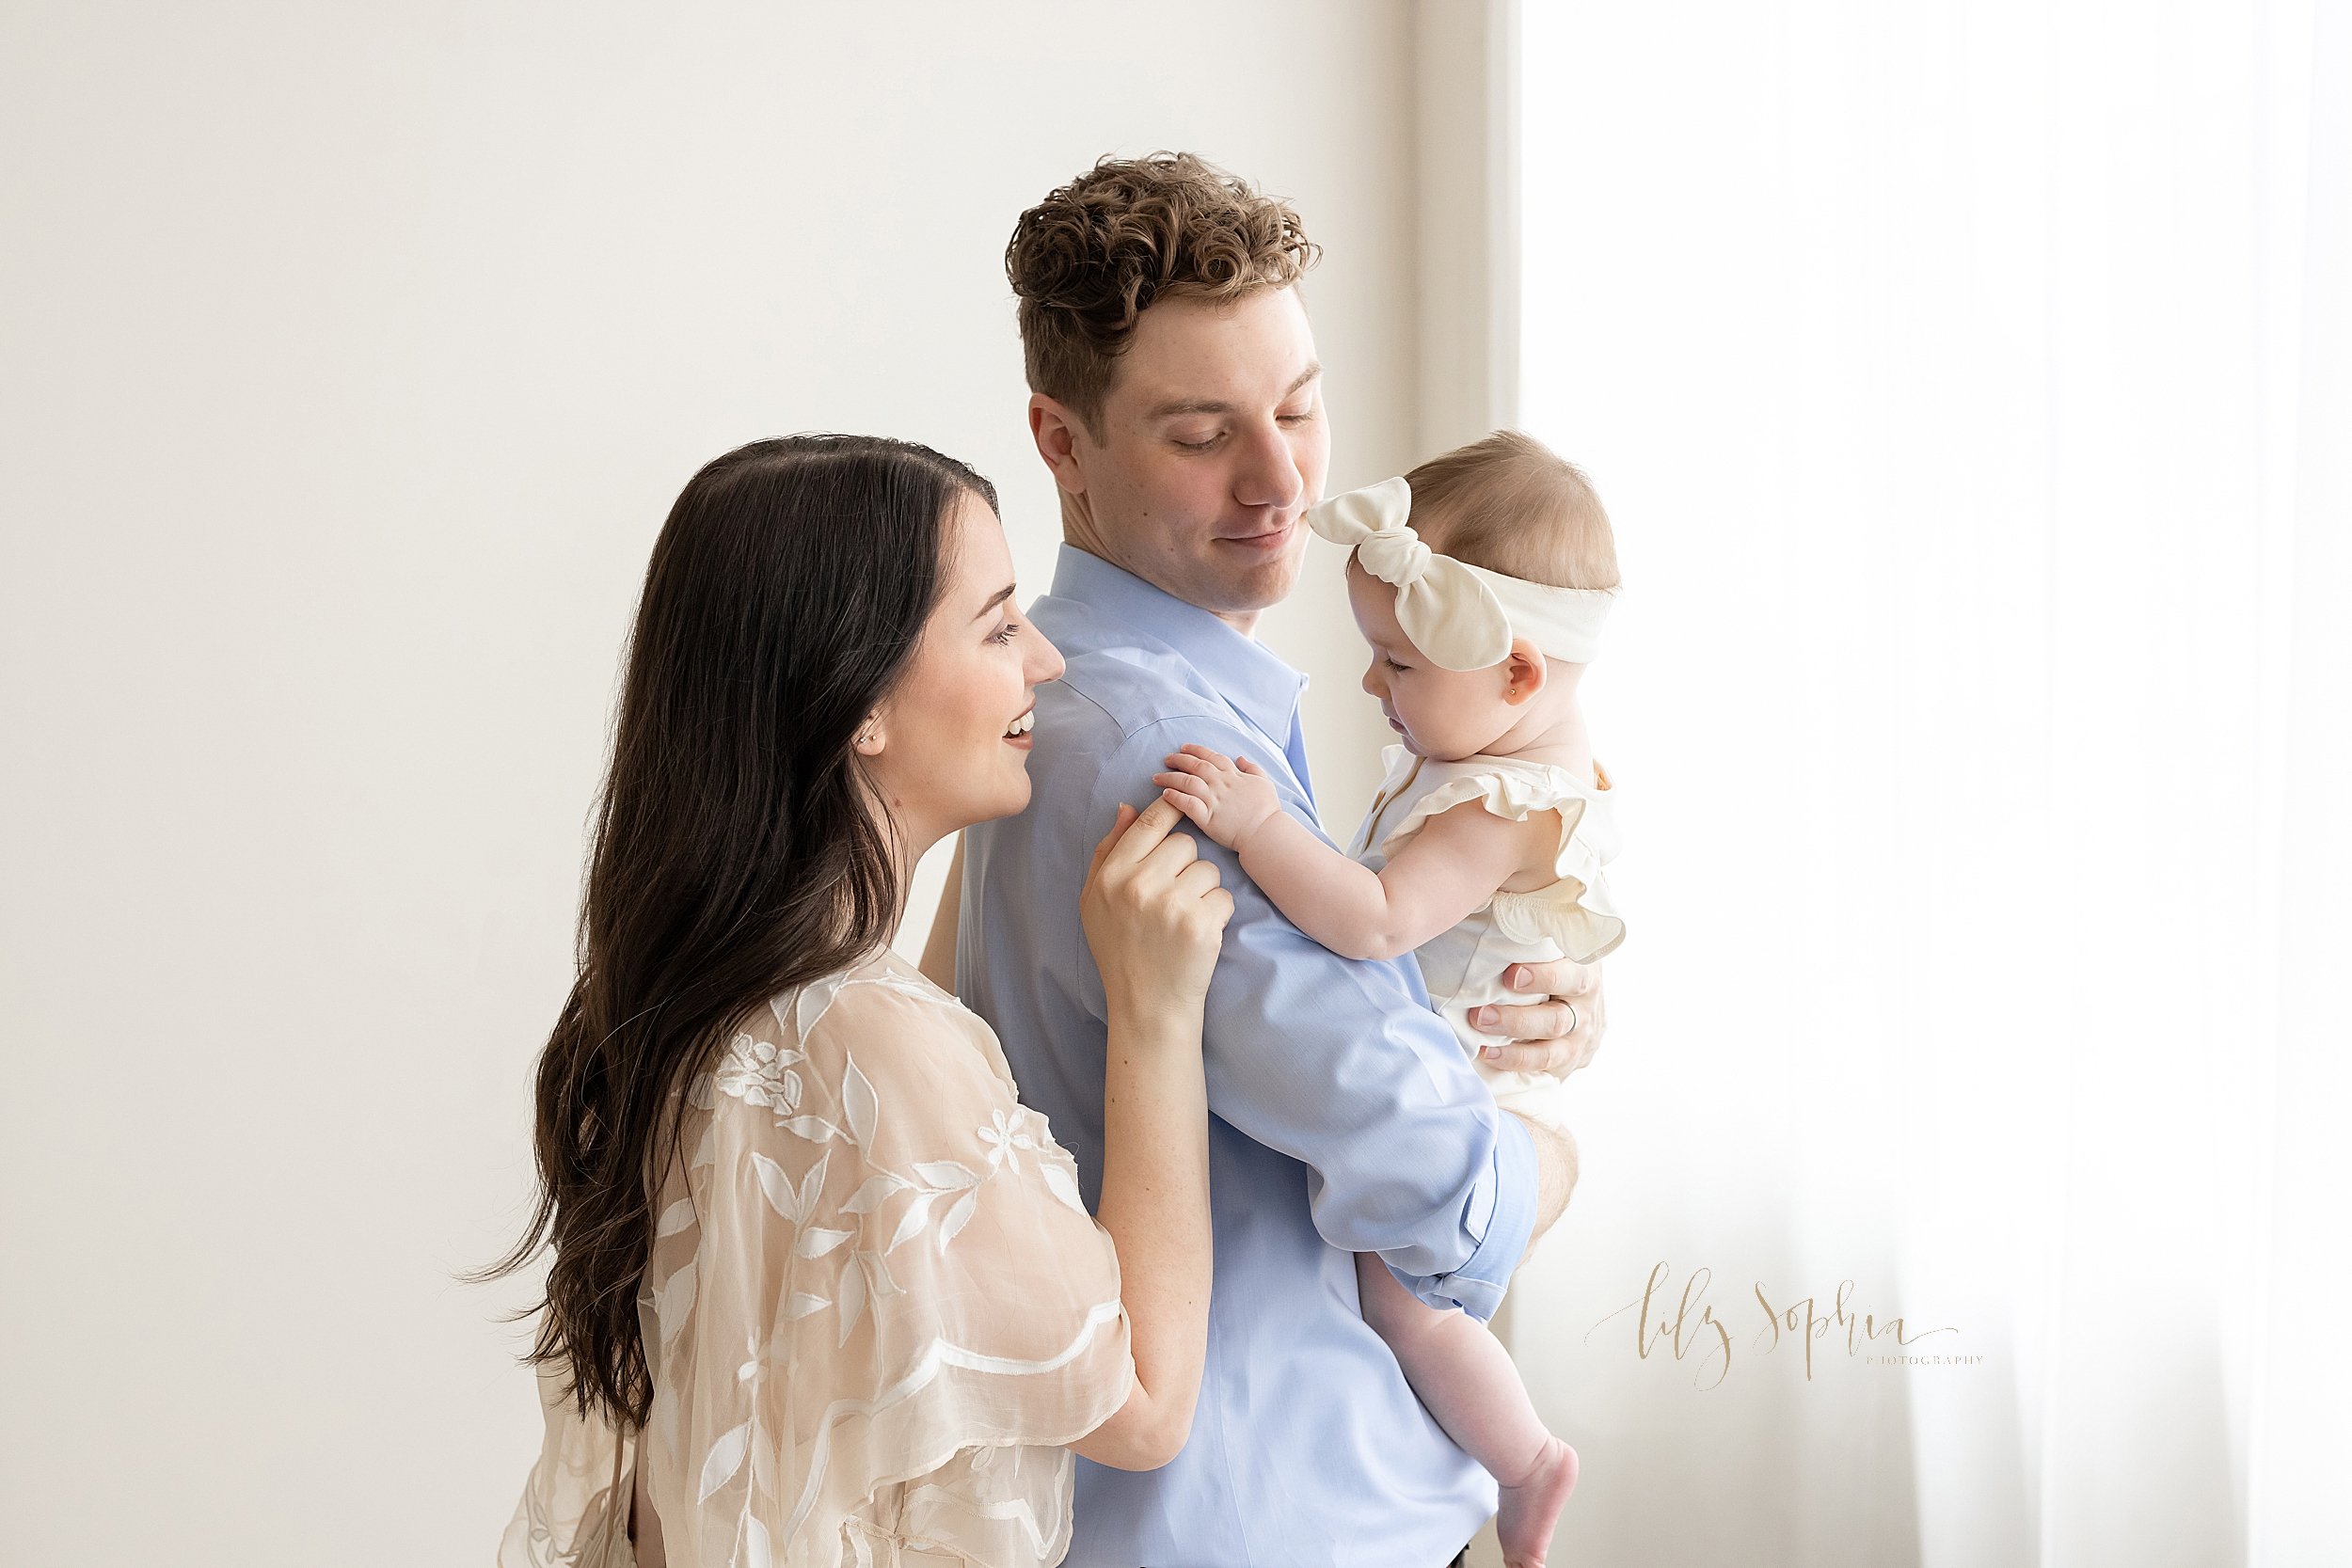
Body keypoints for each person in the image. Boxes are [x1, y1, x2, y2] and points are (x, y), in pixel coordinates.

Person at [927, 154, 1610, 1567]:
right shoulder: (1148, 752)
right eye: (1200, 433)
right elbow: (1442, 1192)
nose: (1283, 479)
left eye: (1299, 407)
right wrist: (1549, 1140)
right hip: (1271, 1514)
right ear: (1061, 442)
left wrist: (1502, 1007)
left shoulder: (1057, 692)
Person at [487, 435, 1235, 1567]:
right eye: (996, 624)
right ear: (860, 705)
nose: (1043, 657)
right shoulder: (866, 1037)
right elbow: (1141, 1405)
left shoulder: (695, 1010)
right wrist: (1158, 1016)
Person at [1153, 432, 1626, 1567]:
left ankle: (1523, 1459)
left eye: (1398, 664)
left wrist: (1259, 824)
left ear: (1515, 673)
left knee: (1399, 1298)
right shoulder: (1484, 758)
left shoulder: (1501, 802)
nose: (1373, 684)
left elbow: (1372, 919)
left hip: (1478, 1100)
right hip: (1470, 1080)